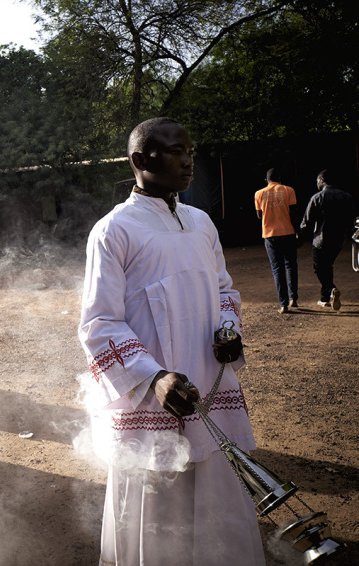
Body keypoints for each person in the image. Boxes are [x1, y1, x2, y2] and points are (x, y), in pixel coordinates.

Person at [78, 118, 265, 565]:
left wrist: (227, 330)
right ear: (140, 160)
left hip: (209, 383)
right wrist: (153, 378)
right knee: (157, 511)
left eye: (190, 151)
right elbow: (99, 322)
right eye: (175, 151)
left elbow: (224, 290)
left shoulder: (201, 223)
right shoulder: (114, 230)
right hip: (154, 398)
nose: (188, 161)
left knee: (217, 494)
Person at [300, 170, 356, 311]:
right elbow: (351, 220)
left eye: (317, 181)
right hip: (338, 240)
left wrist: (300, 236)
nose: (317, 184)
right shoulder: (347, 197)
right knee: (327, 266)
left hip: (320, 240)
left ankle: (331, 289)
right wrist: (347, 234)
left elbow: (307, 221)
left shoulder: (317, 197)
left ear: (322, 180)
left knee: (319, 268)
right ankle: (325, 298)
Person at [254, 169, 299, 313]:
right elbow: (294, 213)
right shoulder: (289, 190)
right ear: (279, 179)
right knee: (291, 265)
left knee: (277, 269)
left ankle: (283, 304)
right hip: (288, 232)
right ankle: (294, 299)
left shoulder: (259, 194)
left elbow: (259, 216)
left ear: (266, 180)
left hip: (270, 234)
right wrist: (298, 232)